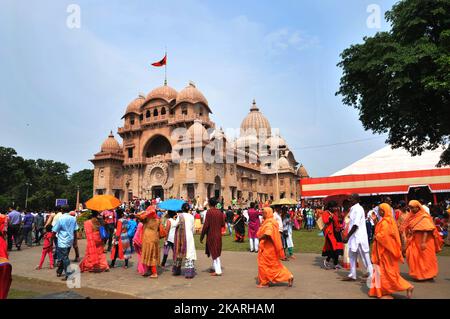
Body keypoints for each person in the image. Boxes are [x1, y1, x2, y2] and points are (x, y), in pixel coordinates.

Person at [368, 203, 414, 299]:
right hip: (385, 251)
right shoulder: (388, 221)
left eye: (381, 210)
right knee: (385, 273)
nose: (379, 211)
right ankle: (402, 287)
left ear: (384, 211)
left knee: (387, 273)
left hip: (385, 252)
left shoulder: (386, 222)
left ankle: (388, 292)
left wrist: (376, 236)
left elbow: (384, 236)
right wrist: (376, 221)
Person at [400, 200, 443, 281]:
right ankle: (418, 274)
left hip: (425, 240)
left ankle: (429, 275)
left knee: (426, 259)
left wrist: (423, 242)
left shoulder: (423, 216)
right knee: (412, 256)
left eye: (413, 208)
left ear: (418, 207)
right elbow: (405, 226)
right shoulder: (411, 216)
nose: (411, 209)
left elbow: (426, 229)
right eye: (410, 208)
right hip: (415, 240)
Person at [256, 207, 294, 288]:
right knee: (273, 265)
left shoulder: (270, 223)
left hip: (268, 248)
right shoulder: (268, 221)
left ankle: (265, 282)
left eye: (264, 213)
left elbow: (268, 234)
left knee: (265, 265)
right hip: (268, 248)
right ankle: (288, 276)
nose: (262, 214)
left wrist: (261, 237)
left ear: (268, 213)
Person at [342, 194, 373, 281]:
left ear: (356, 200)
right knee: (352, 255)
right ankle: (352, 275)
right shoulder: (353, 209)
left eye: (351, 199)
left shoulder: (358, 209)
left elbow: (356, 225)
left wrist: (347, 236)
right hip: (354, 237)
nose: (349, 200)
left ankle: (372, 275)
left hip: (359, 237)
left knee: (365, 257)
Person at [52, 206, 79, 281]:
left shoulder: (61, 218)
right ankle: (59, 271)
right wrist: (75, 241)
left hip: (62, 241)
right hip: (70, 240)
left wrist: (51, 241)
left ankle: (68, 274)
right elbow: (75, 230)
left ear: (62, 210)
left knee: (64, 258)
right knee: (64, 256)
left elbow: (54, 230)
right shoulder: (73, 218)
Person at [200, 197, 225, 276]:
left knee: (214, 252)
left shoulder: (209, 212)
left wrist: (202, 236)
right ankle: (215, 267)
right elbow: (222, 224)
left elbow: (206, 225)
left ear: (209, 204)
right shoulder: (220, 213)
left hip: (211, 234)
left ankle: (218, 270)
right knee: (215, 251)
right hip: (218, 234)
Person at [137, 205, 164, 278]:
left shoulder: (147, 219)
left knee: (150, 255)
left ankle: (154, 273)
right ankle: (149, 271)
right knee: (152, 254)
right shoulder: (158, 219)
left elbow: (137, 216)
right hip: (155, 238)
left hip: (148, 239)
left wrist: (143, 212)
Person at [172, 203, 197, 279]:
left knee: (179, 252)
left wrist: (174, 218)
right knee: (189, 253)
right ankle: (189, 273)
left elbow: (174, 225)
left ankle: (176, 270)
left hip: (181, 236)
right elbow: (193, 228)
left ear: (182, 209)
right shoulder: (192, 217)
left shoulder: (180, 216)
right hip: (189, 236)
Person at [322, 201, 344, 270]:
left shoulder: (334, 213)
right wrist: (330, 218)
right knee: (333, 249)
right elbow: (325, 221)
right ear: (330, 207)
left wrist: (340, 223)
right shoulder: (326, 213)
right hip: (330, 233)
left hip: (336, 232)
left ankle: (336, 264)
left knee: (338, 248)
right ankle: (327, 260)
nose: (335, 208)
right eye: (334, 207)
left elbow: (337, 222)